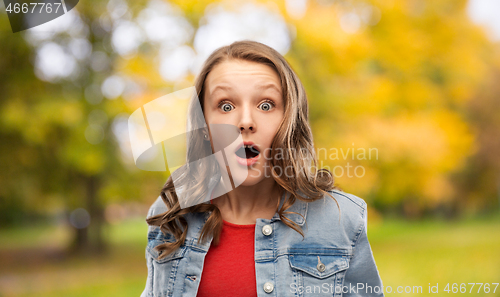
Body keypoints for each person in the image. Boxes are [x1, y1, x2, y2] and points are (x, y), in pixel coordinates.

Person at [140, 40, 384, 297]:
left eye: (266, 105)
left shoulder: (342, 218)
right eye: (226, 106)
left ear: (289, 121)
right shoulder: (170, 212)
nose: (245, 122)